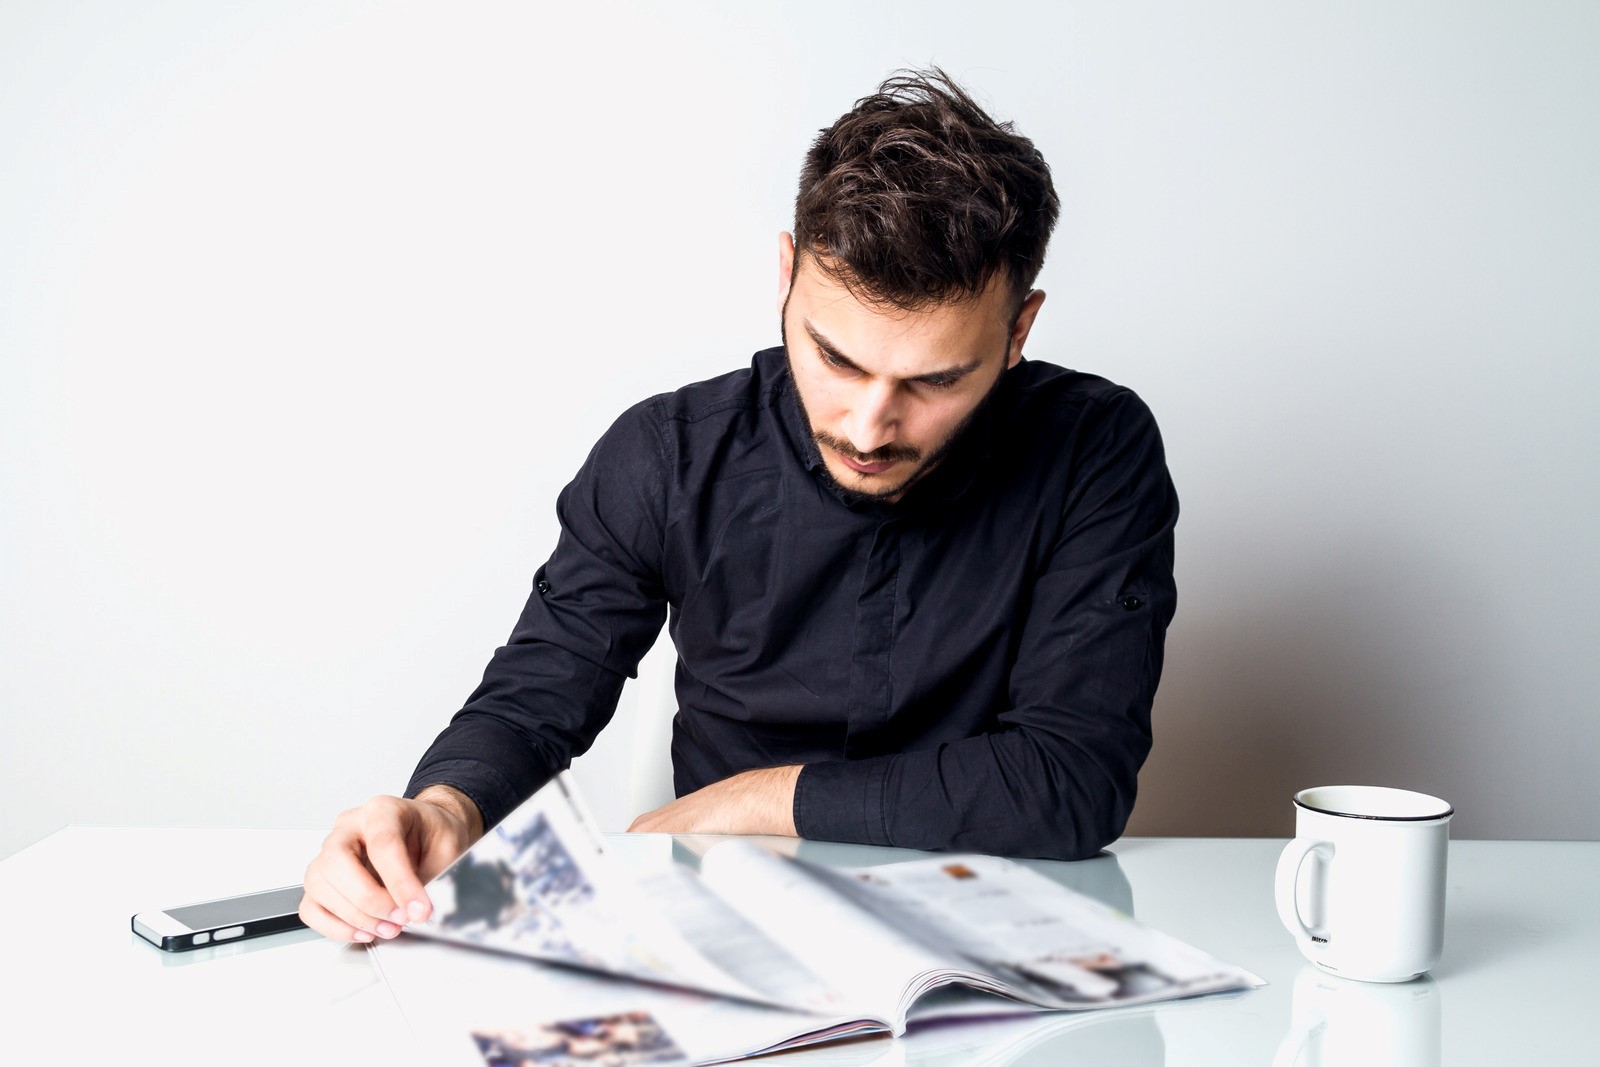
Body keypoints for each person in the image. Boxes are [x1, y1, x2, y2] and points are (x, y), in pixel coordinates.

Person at [300, 67, 1178, 944]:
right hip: (726, 929)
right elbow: (535, 698)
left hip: (999, 928)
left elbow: (1071, 778)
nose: (871, 426)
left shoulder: (1096, 450)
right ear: (788, 275)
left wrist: (757, 800)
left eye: (935, 379)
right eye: (835, 359)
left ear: (1019, 330)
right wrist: (447, 807)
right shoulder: (667, 453)